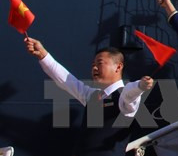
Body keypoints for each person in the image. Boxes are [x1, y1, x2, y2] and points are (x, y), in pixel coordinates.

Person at [23, 37, 152, 156]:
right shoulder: (92, 95)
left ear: (118, 67)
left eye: (100, 63)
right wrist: (42, 55)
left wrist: (140, 85)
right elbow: (65, 79)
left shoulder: (123, 97)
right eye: (92, 65)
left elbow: (131, 92)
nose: (94, 68)